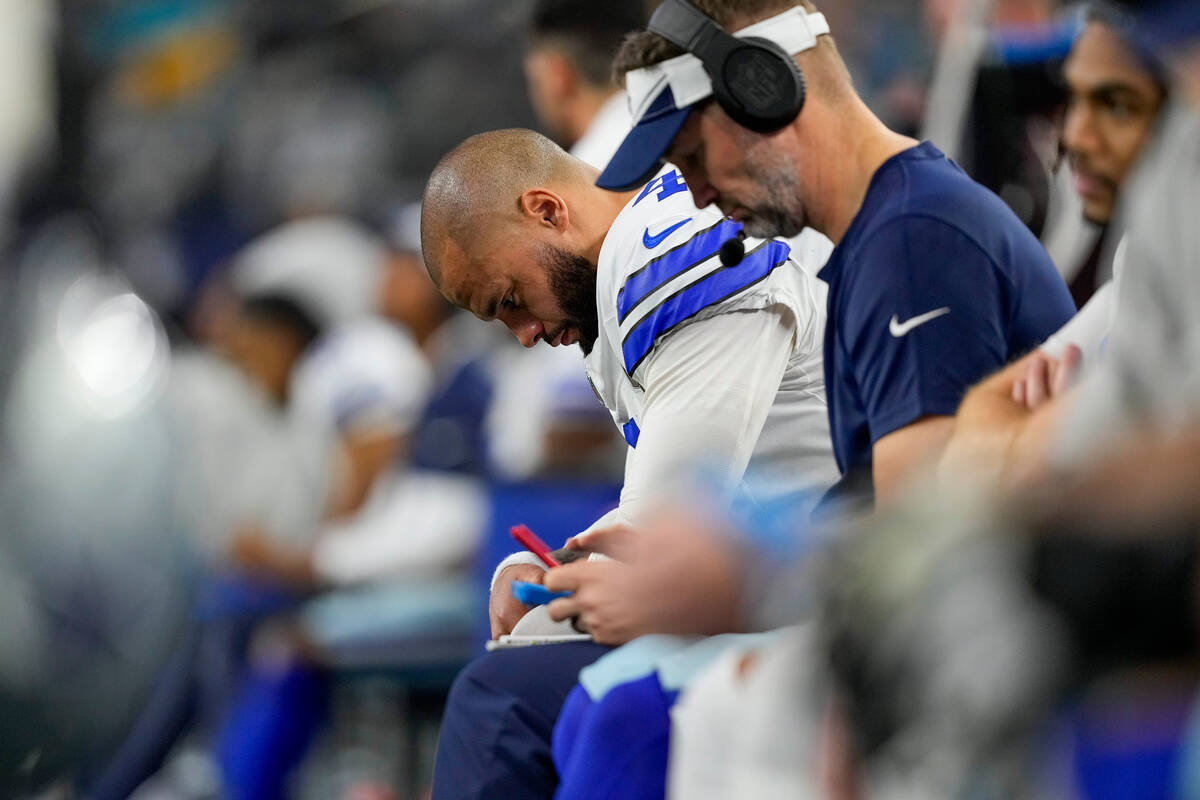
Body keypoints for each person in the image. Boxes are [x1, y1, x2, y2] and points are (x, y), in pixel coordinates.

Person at [421, 127, 837, 797]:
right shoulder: (614, 274)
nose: (524, 334)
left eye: (510, 301)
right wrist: (552, 574)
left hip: (819, 590)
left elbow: (665, 541)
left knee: (502, 699)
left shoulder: (667, 253)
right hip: (785, 575)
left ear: (548, 210)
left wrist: (554, 599)